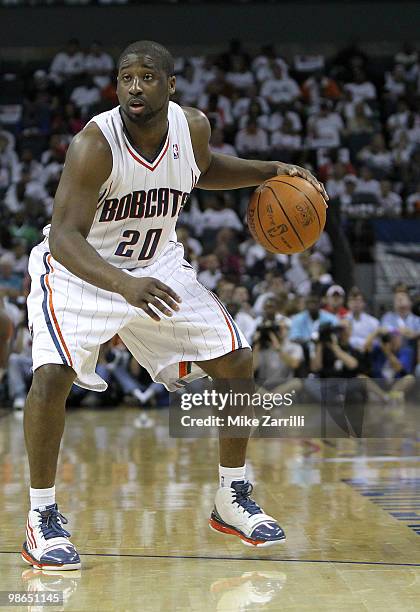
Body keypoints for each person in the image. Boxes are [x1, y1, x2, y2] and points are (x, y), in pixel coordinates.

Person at [22, 40, 328, 570]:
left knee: (238, 362)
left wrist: (272, 170)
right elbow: (65, 238)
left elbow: (201, 170)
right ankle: (41, 517)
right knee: (52, 374)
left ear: (170, 85)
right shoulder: (95, 145)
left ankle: (232, 497)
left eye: (146, 77)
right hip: (82, 268)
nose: (134, 87)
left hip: (156, 265)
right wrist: (122, 285)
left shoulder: (193, 128)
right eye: (125, 78)